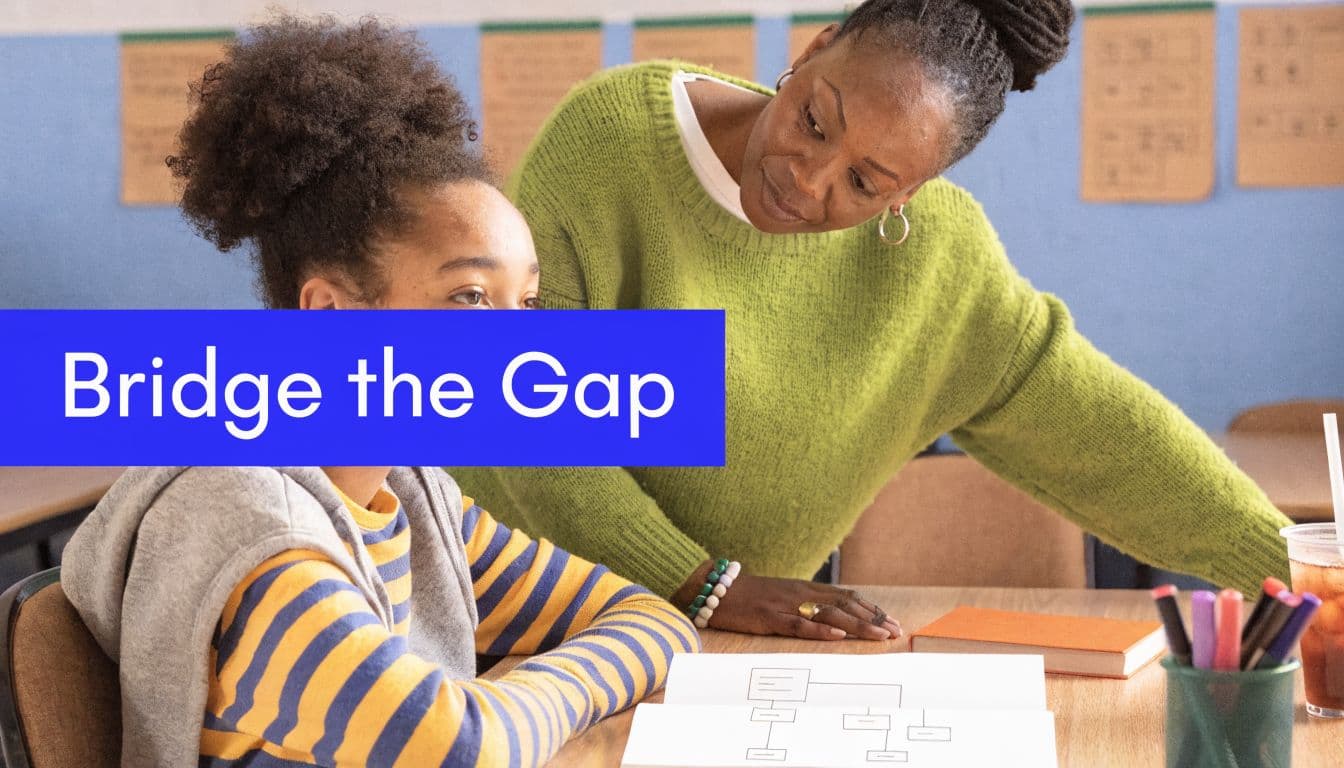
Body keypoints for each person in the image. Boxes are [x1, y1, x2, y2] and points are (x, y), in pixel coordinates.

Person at [453, 0, 1292, 639]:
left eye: (864, 183)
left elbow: (1103, 435)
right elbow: (522, 411)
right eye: (814, 121)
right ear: (814, 48)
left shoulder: (939, 264)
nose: (808, 180)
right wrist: (703, 583)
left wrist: (1298, 573)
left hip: (717, 653)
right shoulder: (613, 145)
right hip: (503, 626)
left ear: (911, 192)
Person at [61, 15, 697, 768]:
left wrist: (509, 704)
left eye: (525, 303)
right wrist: (514, 705)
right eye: (469, 298)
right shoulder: (252, 533)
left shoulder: (414, 496)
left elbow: (653, 619)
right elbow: (462, 745)